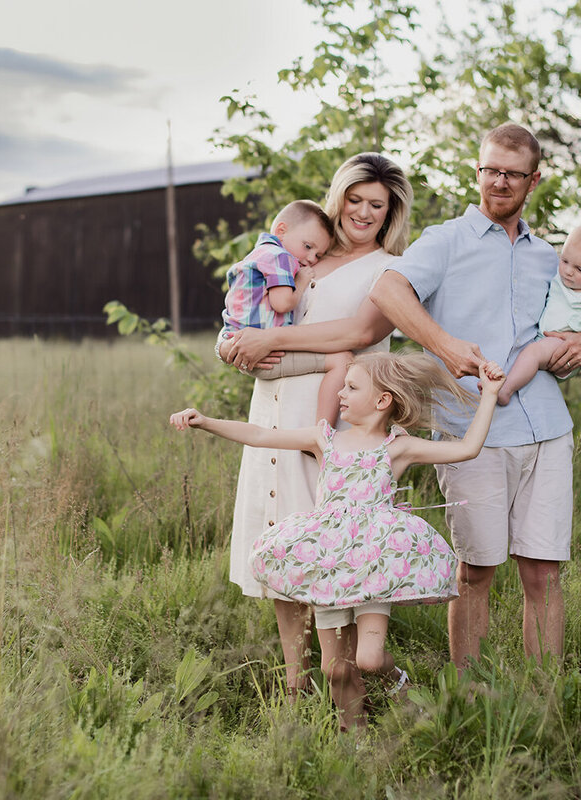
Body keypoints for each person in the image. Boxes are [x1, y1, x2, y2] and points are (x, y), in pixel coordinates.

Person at [169, 351, 507, 728]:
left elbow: (466, 448)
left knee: (369, 659)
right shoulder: (324, 439)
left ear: (382, 401)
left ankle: (403, 687)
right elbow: (261, 435)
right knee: (336, 671)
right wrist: (205, 422)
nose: (340, 394)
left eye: (351, 387)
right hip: (326, 565)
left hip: (374, 568)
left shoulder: (397, 447)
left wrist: (490, 394)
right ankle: (355, 739)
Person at [370, 123, 581, 669]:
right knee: (477, 569)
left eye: (512, 173)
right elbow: (387, 289)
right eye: (489, 169)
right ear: (478, 171)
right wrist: (444, 347)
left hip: (547, 427)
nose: (498, 181)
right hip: (471, 429)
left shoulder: (551, 257)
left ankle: (546, 700)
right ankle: (469, 696)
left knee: (543, 571)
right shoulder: (446, 241)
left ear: (533, 180)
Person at [219, 152, 415, 703]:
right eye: (355, 199)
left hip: (335, 420)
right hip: (276, 405)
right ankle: (294, 678)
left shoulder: (386, 269)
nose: (363, 212)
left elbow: (355, 333)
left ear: (390, 212)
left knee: (332, 548)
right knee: (282, 536)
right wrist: (241, 344)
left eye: (376, 205)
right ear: (338, 198)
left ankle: (346, 678)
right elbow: (255, 313)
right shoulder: (301, 254)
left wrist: (270, 342)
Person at [217, 200, 351, 425]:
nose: (310, 258)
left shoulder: (256, 256)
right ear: (281, 230)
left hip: (240, 348)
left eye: (318, 255)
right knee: (342, 361)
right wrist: (301, 280)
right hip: (264, 356)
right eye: (308, 247)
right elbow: (282, 303)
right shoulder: (280, 257)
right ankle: (321, 432)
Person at [497, 223, 581, 406]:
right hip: (543, 338)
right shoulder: (560, 279)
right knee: (520, 350)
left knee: (532, 353)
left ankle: (505, 390)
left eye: (580, 269)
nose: (568, 271)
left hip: (563, 347)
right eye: (565, 260)